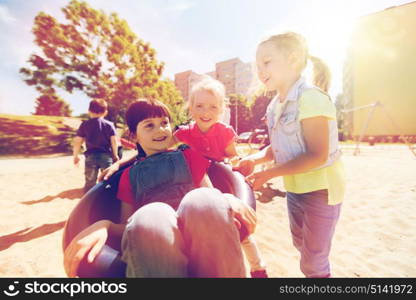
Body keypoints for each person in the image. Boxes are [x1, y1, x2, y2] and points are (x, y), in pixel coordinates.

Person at [64, 98, 256, 278]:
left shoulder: (188, 157)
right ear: (134, 135)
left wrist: (226, 200)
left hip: (199, 233)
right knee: (151, 215)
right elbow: (128, 225)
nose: (161, 130)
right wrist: (105, 225)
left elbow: (210, 192)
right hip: (159, 242)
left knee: (203, 200)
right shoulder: (128, 177)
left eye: (164, 123)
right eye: (150, 125)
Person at [235, 32, 345, 278]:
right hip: (295, 189)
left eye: (266, 62)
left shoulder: (311, 98)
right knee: (301, 246)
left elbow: (316, 155)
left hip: (321, 190)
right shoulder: (274, 106)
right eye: (257, 65)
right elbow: (279, 147)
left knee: (313, 263)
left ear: (293, 59)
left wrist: (270, 173)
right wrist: (256, 159)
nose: (260, 70)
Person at [174, 77, 268, 278]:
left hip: (220, 182)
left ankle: (258, 267)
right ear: (190, 108)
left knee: (238, 228)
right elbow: (159, 150)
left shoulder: (224, 132)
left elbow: (232, 155)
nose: (205, 112)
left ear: (221, 110)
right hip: (195, 187)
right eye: (199, 106)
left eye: (212, 107)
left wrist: (231, 162)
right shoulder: (183, 134)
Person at [73, 99, 119, 194]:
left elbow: (77, 141)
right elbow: (114, 141)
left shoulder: (84, 125)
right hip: (106, 156)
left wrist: (75, 156)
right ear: (105, 112)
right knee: (108, 178)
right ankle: (107, 196)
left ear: (89, 111)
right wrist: (115, 154)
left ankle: (89, 198)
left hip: (90, 156)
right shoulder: (109, 125)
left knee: (90, 181)